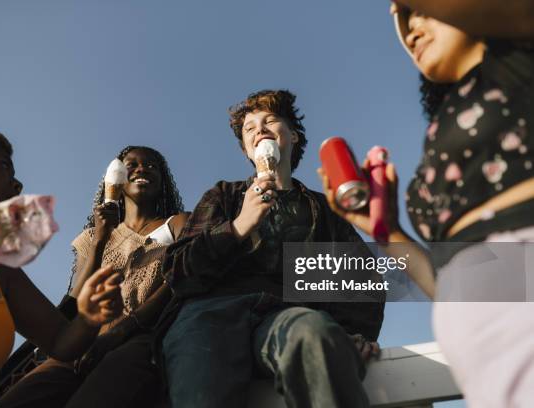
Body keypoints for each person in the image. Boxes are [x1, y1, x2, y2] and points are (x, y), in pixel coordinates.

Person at [319, 2, 534, 406]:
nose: (410, 31)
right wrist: (387, 233)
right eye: (403, 21)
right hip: (489, 360)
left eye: (419, 12)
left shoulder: (520, 60)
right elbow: (449, 283)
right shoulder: (445, 124)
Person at [160, 90, 385, 408]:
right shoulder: (223, 196)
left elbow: (361, 280)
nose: (259, 129)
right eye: (249, 128)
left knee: (316, 334)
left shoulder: (325, 210)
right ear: (247, 152)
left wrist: (353, 332)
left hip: (288, 313)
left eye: (269, 121)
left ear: (293, 136)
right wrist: (238, 227)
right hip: (211, 316)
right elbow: (179, 272)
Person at [0, 125, 122, 392]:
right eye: (3, 166)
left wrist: (88, 318)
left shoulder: (0, 271)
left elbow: (61, 342)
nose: (18, 185)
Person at [0, 146, 189, 408]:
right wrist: (100, 240)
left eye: (152, 166)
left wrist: (122, 330)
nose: (142, 169)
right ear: (116, 179)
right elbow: (77, 297)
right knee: (22, 397)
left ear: (162, 180)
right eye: (131, 165)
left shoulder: (177, 224)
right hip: (84, 339)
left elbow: (180, 278)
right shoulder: (92, 236)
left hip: (143, 336)